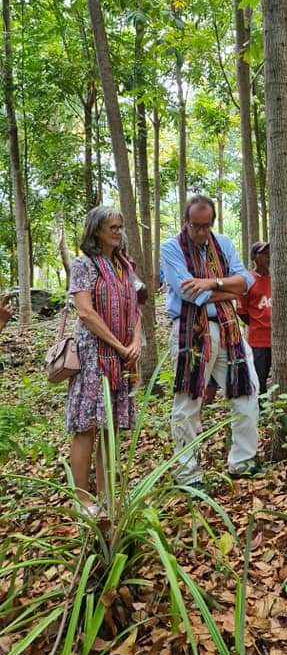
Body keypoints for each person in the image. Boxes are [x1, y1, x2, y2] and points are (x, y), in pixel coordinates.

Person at [160, 194, 260, 486]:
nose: (201, 233)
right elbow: (191, 293)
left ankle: (242, 462)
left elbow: (246, 282)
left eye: (206, 226)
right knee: (189, 402)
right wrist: (226, 289)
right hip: (190, 331)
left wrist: (211, 282)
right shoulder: (171, 248)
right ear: (185, 222)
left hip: (228, 328)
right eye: (195, 226)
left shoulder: (224, 244)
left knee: (246, 394)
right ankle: (188, 474)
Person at [66, 206, 142, 515]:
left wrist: (135, 341)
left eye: (120, 227)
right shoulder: (84, 265)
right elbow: (85, 313)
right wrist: (119, 346)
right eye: (112, 227)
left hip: (123, 355)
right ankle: (82, 499)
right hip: (94, 356)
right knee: (87, 427)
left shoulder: (126, 266)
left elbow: (137, 308)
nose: (117, 232)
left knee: (111, 427)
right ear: (96, 231)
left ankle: (107, 495)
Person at [238, 241, 272, 395]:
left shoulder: (276, 278)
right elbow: (241, 310)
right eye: (263, 254)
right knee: (260, 376)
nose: (267, 257)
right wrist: (256, 322)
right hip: (258, 339)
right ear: (254, 257)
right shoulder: (248, 280)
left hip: (277, 337)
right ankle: (261, 408)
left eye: (269, 253)